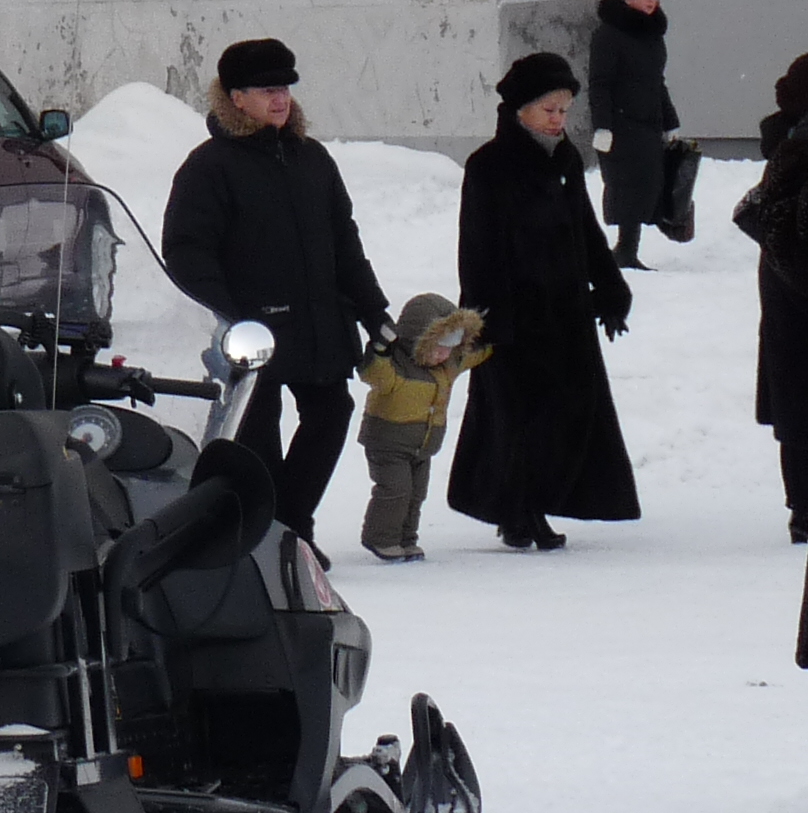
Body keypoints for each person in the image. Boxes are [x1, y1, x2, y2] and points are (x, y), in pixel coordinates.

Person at [159, 37, 390, 541]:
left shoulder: (313, 159)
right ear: (235, 97)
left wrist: (375, 311)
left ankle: (290, 525)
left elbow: (345, 243)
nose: (281, 99)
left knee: (332, 414)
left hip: (318, 323)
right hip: (250, 333)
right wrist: (228, 321)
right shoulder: (208, 167)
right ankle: (277, 535)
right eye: (268, 90)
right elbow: (186, 253)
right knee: (258, 436)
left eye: (285, 88)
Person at [446, 51, 637, 552]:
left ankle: (538, 502)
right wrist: (489, 317)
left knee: (569, 413)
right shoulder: (489, 166)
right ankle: (521, 511)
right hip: (515, 317)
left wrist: (611, 285)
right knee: (518, 421)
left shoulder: (566, 159)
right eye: (550, 109)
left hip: (567, 312)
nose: (559, 119)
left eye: (565, 110)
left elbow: (585, 230)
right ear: (520, 110)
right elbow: (478, 249)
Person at [353, 294, 489, 563]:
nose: (444, 354)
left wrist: (497, 337)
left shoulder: (447, 366)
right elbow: (373, 374)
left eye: (449, 347)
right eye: (438, 347)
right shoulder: (395, 366)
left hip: (422, 445)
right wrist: (379, 349)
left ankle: (407, 538)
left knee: (417, 493)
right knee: (395, 489)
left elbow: (476, 355)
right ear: (417, 339)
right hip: (387, 443)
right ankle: (382, 538)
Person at [742, 51, 808, 545]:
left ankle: (802, 507)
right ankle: (804, 509)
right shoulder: (798, 149)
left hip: (787, 294)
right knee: (799, 405)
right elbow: (781, 225)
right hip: (794, 294)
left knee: (796, 405)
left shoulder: (790, 143)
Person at [584, 0, 676, 269]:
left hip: (647, 123)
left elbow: (656, 82)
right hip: (620, 125)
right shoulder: (609, 35)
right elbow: (599, 83)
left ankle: (628, 248)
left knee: (649, 184)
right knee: (626, 186)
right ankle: (624, 250)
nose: (651, 0)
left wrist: (670, 121)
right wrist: (603, 126)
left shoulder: (652, 36)